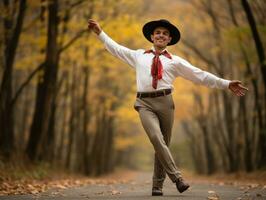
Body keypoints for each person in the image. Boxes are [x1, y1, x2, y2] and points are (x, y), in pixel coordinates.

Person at [87, 19, 248, 196]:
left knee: (163, 144)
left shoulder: (175, 61)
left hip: (166, 104)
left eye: (164, 33)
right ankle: (177, 178)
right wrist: (100, 33)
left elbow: (200, 75)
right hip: (144, 103)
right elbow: (117, 49)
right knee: (156, 137)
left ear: (169, 39)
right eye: (157, 33)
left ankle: (157, 186)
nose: (161, 35)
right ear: (152, 37)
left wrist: (226, 84)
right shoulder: (139, 56)